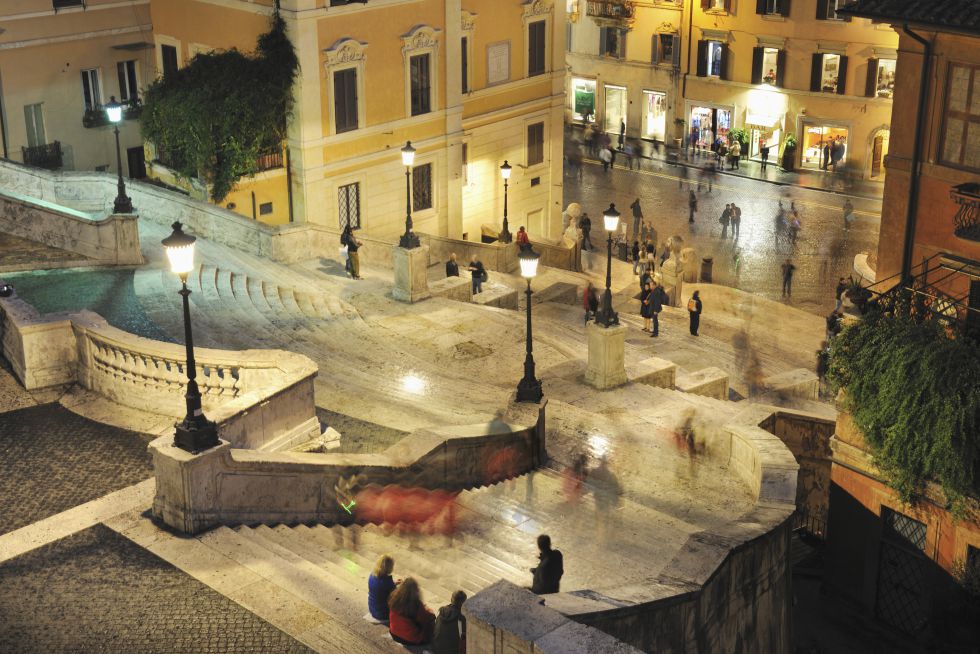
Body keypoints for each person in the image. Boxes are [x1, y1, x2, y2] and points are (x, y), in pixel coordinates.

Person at [388, 578, 436, 646]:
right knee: (431, 619)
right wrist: (429, 612)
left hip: (394, 633)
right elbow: (425, 619)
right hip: (411, 639)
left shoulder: (393, 598)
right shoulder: (416, 604)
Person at [368, 555, 398, 622]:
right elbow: (397, 596)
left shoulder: (372, 575)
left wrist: (394, 583)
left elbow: (381, 589)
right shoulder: (387, 582)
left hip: (372, 608)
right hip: (383, 614)